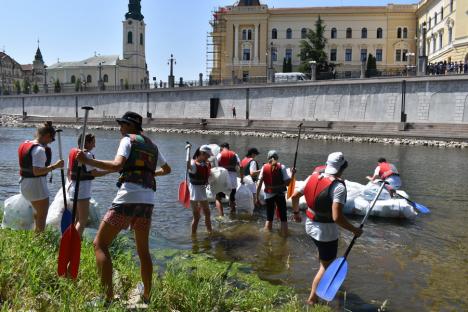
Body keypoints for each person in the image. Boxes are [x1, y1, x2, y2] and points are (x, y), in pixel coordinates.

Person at [76, 111, 171, 305]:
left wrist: (88, 161)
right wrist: (148, 174)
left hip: (127, 199)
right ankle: (146, 297)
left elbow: (116, 165)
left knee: (100, 244)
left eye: (122, 125)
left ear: (130, 126)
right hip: (147, 201)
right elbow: (167, 169)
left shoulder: (128, 140)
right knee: (143, 251)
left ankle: (107, 298)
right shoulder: (152, 145)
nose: (120, 128)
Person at [291, 152, 362, 305]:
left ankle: (322, 263)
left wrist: (296, 213)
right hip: (325, 231)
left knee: (324, 257)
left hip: (309, 225)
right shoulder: (338, 187)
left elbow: (295, 196)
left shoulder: (313, 177)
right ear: (343, 167)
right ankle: (312, 299)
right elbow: (337, 218)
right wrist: (354, 230)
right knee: (326, 265)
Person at [18, 121, 64, 233]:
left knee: (36, 214)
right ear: (47, 136)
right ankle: (39, 242)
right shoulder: (39, 150)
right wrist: (55, 166)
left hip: (24, 185)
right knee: (41, 217)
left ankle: (34, 236)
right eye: (52, 139)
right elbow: (37, 171)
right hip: (36, 186)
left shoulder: (26, 144)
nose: (51, 142)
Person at [67, 133, 109, 237]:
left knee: (77, 218)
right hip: (82, 190)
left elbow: (68, 172)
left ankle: (72, 239)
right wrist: (109, 171)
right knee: (83, 220)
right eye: (93, 143)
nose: (94, 146)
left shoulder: (73, 152)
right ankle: (74, 242)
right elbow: (94, 173)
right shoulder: (87, 155)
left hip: (72, 188)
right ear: (87, 142)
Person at [256, 150, 300, 236]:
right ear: (277, 158)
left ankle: (267, 237)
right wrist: (292, 174)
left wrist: (257, 197)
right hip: (280, 194)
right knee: (283, 218)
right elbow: (287, 183)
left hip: (268, 195)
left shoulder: (264, 167)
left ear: (268, 158)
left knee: (269, 218)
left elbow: (259, 184)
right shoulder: (282, 167)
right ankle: (284, 238)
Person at [187, 145, 213, 235]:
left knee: (208, 214)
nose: (208, 157)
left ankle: (209, 232)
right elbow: (188, 165)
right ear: (201, 154)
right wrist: (188, 150)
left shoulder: (205, 164)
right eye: (207, 155)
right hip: (194, 194)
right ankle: (193, 236)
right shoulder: (193, 164)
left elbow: (208, 175)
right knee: (197, 217)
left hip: (202, 192)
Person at [215, 143, 240, 216]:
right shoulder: (235, 155)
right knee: (232, 199)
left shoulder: (219, 155)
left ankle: (221, 215)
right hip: (233, 180)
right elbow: (240, 167)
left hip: (222, 179)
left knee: (218, 198)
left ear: (222, 148)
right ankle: (233, 215)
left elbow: (215, 167)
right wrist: (241, 178)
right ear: (228, 148)